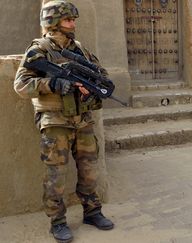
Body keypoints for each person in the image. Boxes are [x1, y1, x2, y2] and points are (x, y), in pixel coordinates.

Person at [14, 1, 114, 242]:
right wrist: (53, 84)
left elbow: (100, 75)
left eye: (73, 19)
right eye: (69, 20)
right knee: (56, 176)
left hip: (82, 120)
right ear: (53, 22)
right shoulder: (39, 50)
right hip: (55, 121)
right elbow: (21, 85)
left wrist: (93, 87)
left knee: (90, 170)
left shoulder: (79, 49)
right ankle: (57, 221)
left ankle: (92, 211)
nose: (73, 24)